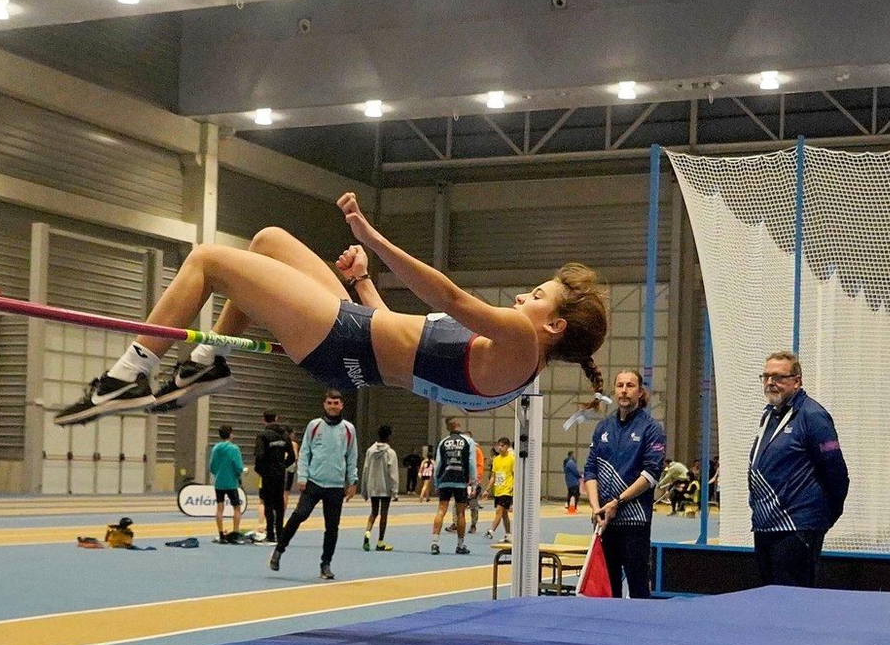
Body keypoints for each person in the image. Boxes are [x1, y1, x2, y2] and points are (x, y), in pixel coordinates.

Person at [54, 191, 610, 425]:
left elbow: (446, 297)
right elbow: (412, 344)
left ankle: (128, 374)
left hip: (341, 340)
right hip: (357, 338)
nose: (520, 299)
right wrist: (365, 281)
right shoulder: (515, 367)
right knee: (268, 240)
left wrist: (373, 236)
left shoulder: (519, 340)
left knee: (207, 261)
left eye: (536, 297)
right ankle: (207, 363)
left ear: (554, 326)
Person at [749, 351, 849, 588]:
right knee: (768, 598)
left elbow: (836, 472)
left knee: (792, 602)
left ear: (797, 380)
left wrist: (824, 517)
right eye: (766, 376)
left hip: (797, 528)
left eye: (778, 377)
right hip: (766, 525)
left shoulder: (813, 416)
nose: (770, 382)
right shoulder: (770, 415)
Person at [585, 370, 666, 598]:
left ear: (640, 393)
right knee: (608, 591)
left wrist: (617, 502)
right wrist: (595, 507)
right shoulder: (603, 428)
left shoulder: (651, 429)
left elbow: (651, 474)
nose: (623, 390)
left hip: (634, 523)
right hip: (604, 522)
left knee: (638, 588)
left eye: (630, 385)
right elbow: (590, 469)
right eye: (619, 385)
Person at [270, 390, 358, 580]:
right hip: (314, 483)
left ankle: (325, 564)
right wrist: (302, 477)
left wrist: (353, 481)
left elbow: (352, 456)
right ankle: (278, 550)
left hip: (335, 486)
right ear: (324, 405)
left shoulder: (349, 429)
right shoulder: (314, 426)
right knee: (299, 515)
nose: (333, 406)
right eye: (329, 403)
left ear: (342, 405)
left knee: (332, 528)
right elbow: (305, 452)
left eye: (336, 403)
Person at [430, 416, 474, 555]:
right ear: (456, 426)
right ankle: (460, 545)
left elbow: (438, 465)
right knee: (460, 513)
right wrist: (473, 482)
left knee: (441, 510)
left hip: (445, 480)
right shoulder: (468, 441)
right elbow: (471, 463)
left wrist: (437, 482)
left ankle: (435, 543)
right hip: (460, 480)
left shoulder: (443, 442)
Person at [254, 410, 296, 542]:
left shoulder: (262, 435)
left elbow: (259, 455)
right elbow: (292, 456)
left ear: (264, 420)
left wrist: (260, 470)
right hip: (280, 473)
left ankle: (270, 534)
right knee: (279, 504)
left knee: (268, 504)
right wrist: (283, 466)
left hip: (267, 473)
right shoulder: (284, 435)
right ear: (277, 418)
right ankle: (280, 533)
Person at [362, 424, 399, 552]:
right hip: (385, 487)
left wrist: (365, 489)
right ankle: (380, 542)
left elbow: (365, 469)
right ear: (389, 436)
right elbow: (393, 473)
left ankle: (367, 535)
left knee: (373, 512)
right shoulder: (390, 453)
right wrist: (395, 491)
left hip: (373, 486)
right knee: (384, 514)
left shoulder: (370, 451)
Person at [208, 424, 245, 543]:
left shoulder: (215, 448)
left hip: (219, 482)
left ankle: (221, 533)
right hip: (231, 482)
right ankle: (235, 532)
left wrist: (218, 473)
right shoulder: (234, 449)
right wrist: (238, 473)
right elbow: (238, 466)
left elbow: (212, 466)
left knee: (219, 507)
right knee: (237, 508)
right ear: (230, 434)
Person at [487, 437, 515, 541]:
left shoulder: (511, 459)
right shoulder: (496, 460)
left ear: (507, 447)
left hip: (507, 490)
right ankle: (508, 534)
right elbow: (493, 476)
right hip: (498, 490)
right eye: (499, 445)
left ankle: (491, 530)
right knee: (504, 514)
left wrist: (513, 487)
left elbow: (514, 474)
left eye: (503, 446)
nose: (500, 447)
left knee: (499, 510)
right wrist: (487, 489)